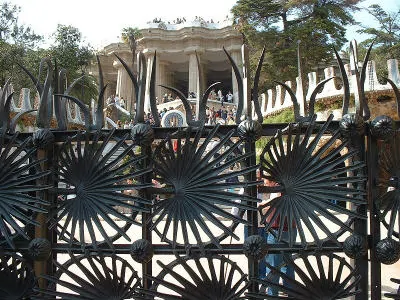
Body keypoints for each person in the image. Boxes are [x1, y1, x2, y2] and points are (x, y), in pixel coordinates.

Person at [264, 180, 297, 296]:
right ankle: (290, 292)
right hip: (290, 228)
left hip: (278, 230)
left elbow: (278, 199)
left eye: (265, 181)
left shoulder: (279, 186)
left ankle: (272, 295)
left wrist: (263, 204)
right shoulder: (292, 184)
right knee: (288, 263)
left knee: (274, 266)